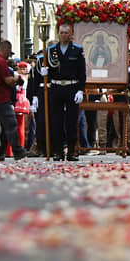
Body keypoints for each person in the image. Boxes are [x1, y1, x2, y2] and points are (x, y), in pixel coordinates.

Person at [39, 23, 86, 161]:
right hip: (56, 88)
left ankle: (71, 152)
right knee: (56, 121)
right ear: (58, 33)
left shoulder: (77, 50)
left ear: (70, 34)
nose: (63, 35)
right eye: (61, 32)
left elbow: (82, 73)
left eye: (66, 33)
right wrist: (45, 72)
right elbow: (48, 68)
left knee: (71, 121)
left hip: (71, 87)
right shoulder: (51, 50)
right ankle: (58, 151)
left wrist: (80, 91)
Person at [0, 40, 27, 161]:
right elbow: (8, 81)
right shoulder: (0, 62)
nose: (9, 55)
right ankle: (17, 150)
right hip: (1, 99)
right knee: (11, 124)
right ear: (6, 49)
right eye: (9, 52)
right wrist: (18, 79)